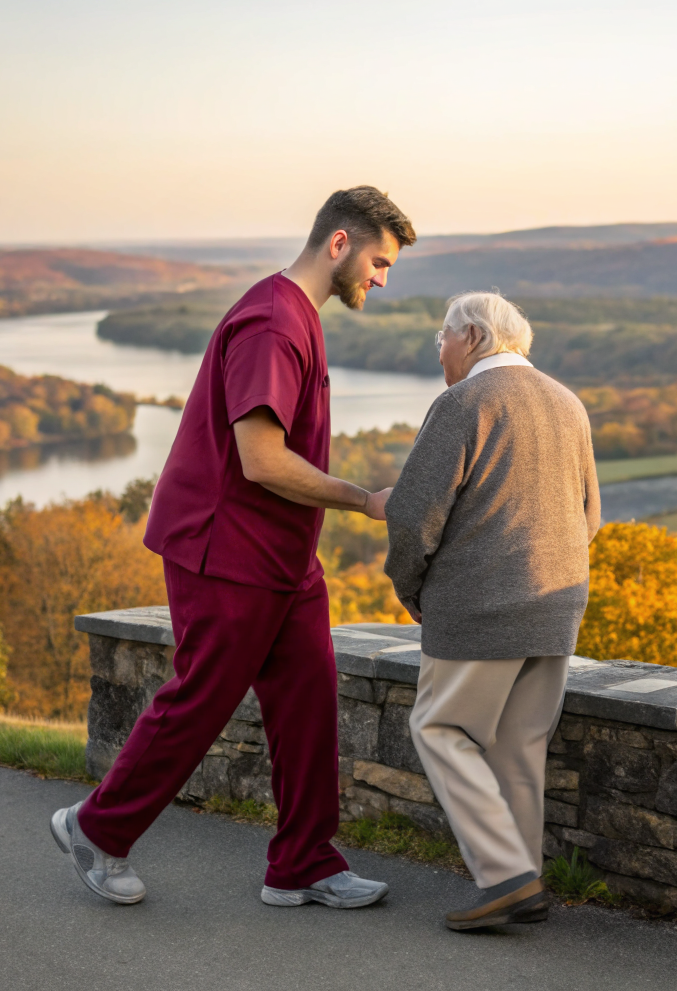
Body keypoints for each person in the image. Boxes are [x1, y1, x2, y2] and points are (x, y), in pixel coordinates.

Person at [50, 186, 415, 909]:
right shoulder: (273, 323)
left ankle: (302, 863)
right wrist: (363, 499)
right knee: (200, 699)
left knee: (308, 698)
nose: (381, 278)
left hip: (280, 556)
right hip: (223, 549)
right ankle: (96, 827)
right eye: (378, 261)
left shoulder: (296, 317)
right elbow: (261, 460)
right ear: (338, 244)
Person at [383, 291, 601, 931]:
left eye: (441, 339)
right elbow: (590, 519)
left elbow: (412, 517)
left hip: (477, 607)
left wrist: (411, 587)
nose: (440, 351)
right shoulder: (568, 402)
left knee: (439, 728)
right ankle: (521, 879)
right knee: (518, 745)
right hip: (557, 606)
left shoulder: (462, 405)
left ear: (473, 335)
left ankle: (505, 875)